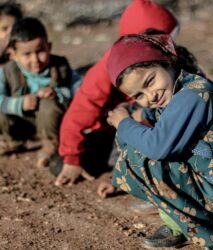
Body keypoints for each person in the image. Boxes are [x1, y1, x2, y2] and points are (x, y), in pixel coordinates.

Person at [105, 34, 213, 249]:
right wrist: (138, 119)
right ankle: (169, 201)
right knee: (140, 134)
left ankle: (188, 223)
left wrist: (124, 123)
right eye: (138, 95)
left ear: (168, 62)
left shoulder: (193, 95)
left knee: (140, 153)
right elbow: (157, 120)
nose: (150, 96)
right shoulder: (184, 87)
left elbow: (157, 147)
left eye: (150, 81)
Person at [56, 0, 179, 187]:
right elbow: (82, 108)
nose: (169, 46)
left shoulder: (169, 60)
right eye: (163, 41)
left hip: (145, 124)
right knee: (75, 162)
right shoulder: (109, 68)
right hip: (114, 127)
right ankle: (129, 174)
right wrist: (71, 158)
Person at [0, 17, 81, 167]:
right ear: (13, 54)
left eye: (40, 51)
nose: (35, 59)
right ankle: (12, 140)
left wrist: (59, 94)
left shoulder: (61, 66)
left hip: (51, 125)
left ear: (49, 46)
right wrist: (19, 103)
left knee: (48, 105)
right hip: (21, 123)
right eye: (26, 54)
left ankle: (50, 144)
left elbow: (80, 91)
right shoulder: (6, 71)